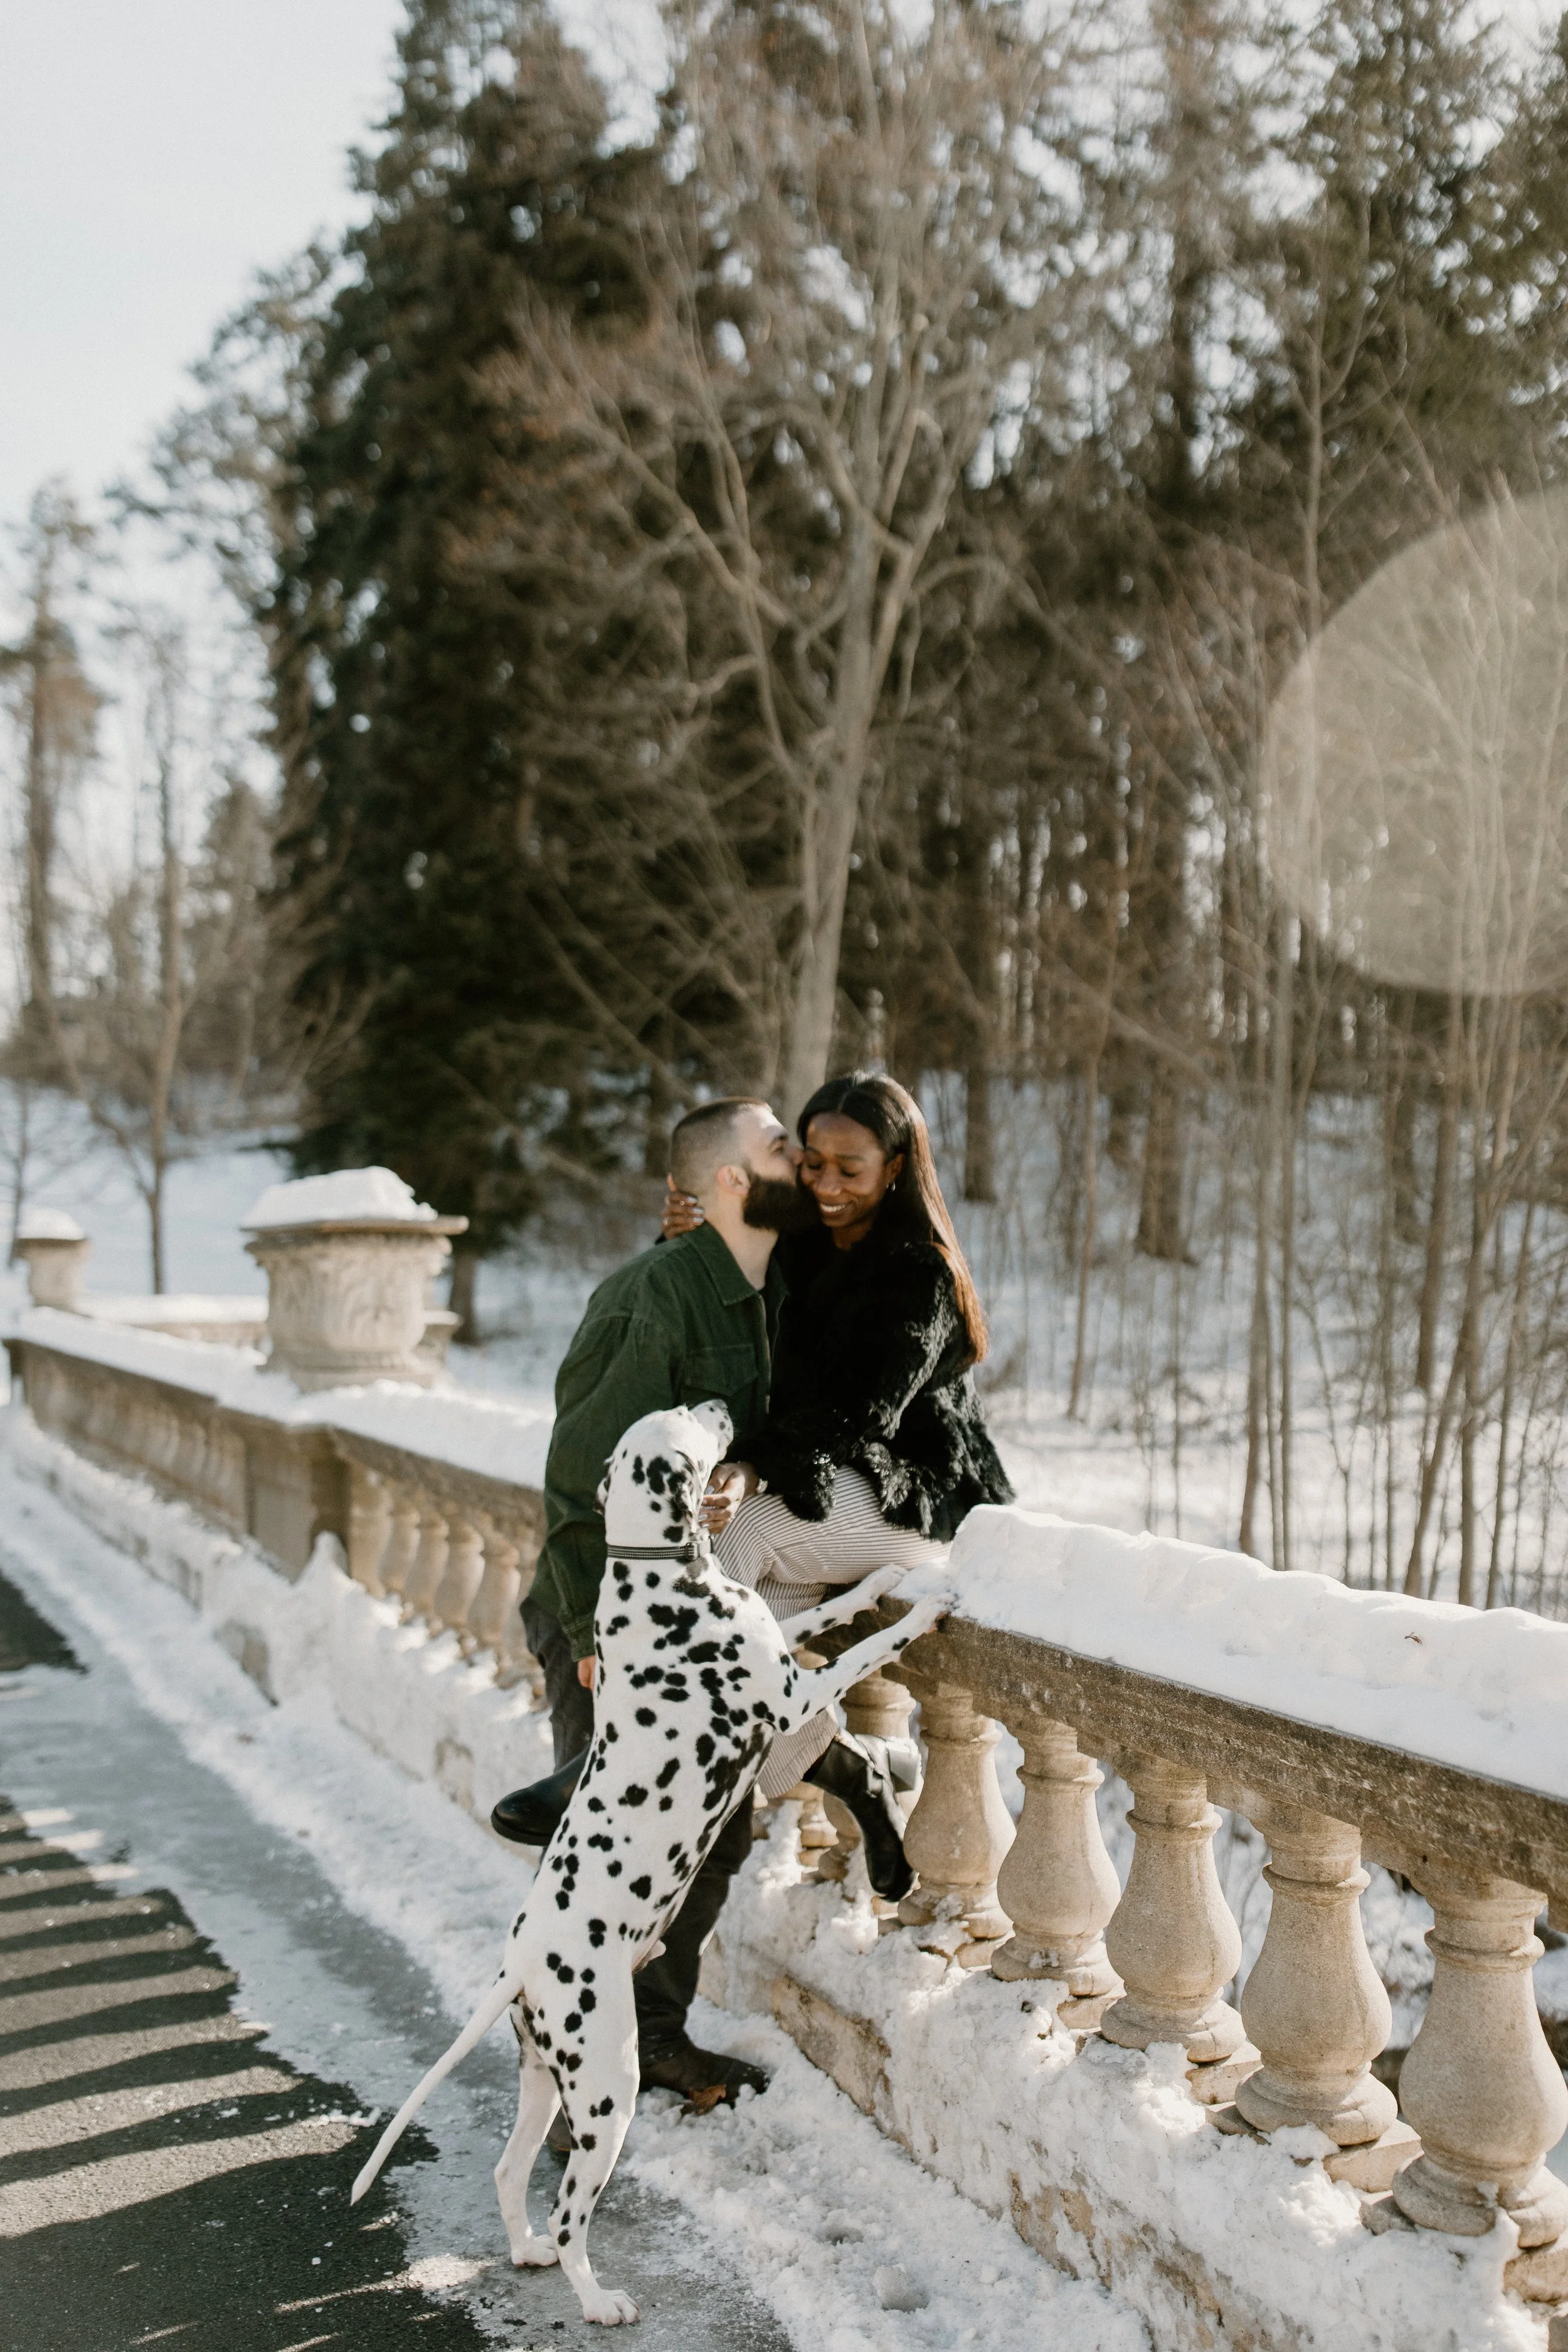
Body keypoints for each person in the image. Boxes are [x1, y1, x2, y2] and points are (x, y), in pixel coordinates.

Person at [490, 1096, 810, 2109]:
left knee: (713, 1832)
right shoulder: (651, 1300)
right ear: (728, 1182)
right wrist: (595, 1639)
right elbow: (580, 1475)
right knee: (603, 1854)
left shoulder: (768, 1288)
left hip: (694, 1624)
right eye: (777, 1149)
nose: (799, 1161)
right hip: (612, 1620)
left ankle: (653, 2035)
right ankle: (557, 2073)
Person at [666, 1071, 1015, 1895]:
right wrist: (684, 1227)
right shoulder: (807, 1232)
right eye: (813, 1161)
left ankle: (674, 1789)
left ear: (896, 1166)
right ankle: (856, 1770)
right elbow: (721, 1266)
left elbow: (859, 1415)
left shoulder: (918, 1272)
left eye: (849, 1169)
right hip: (818, 1485)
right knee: (739, 1662)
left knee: (727, 1542)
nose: (824, 1184)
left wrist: (751, 1468)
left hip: (911, 1492)